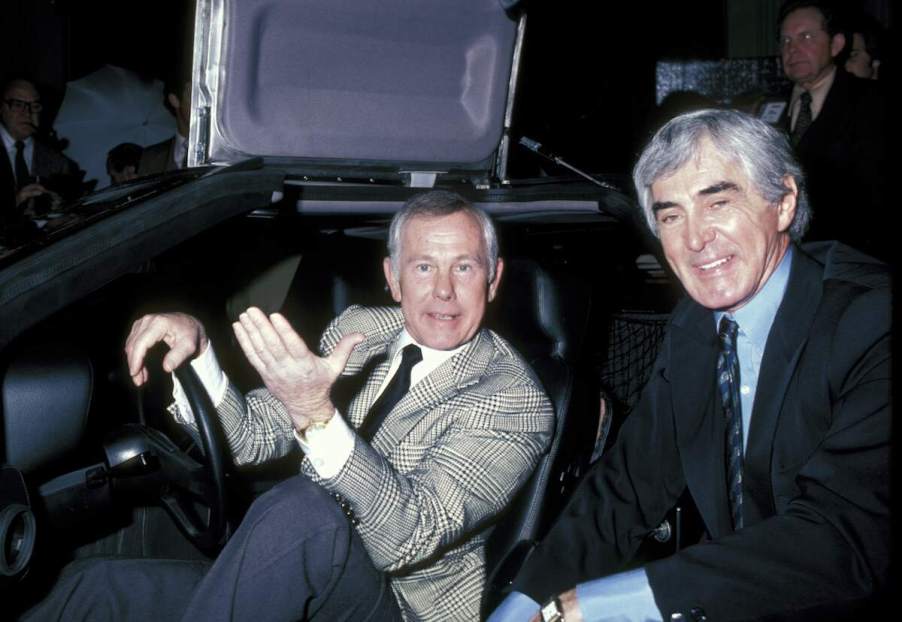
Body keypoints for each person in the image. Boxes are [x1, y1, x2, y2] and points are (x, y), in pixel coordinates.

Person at [22, 190, 554, 621]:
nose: (443, 291)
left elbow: (409, 538)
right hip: (309, 560)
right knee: (97, 588)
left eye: (463, 268)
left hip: (400, 605)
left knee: (302, 508)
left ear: (494, 277)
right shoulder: (364, 329)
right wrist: (199, 351)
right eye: (422, 268)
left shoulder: (515, 400)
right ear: (392, 278)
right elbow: (253, 436)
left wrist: (316, 415)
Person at [489, 109, 890, 621]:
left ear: (784, 202)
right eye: (671, 215)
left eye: (718, 203)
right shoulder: (698, 326)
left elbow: (843, 537)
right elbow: (626, 489)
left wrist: (593, 607)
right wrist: (522, 605)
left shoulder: (872, 321)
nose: (694, 240)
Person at [776, 0, 888, 258]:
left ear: (836, 45)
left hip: (853, 262)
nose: (793, 49)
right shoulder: (767, 107)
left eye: (806, 37)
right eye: (786, 41)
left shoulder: (872, 102)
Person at [1, 78, 77, 218]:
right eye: (18, 104)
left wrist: (58, 215)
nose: (27, 113)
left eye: (34, 106)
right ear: (2, 107)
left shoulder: (58, 162)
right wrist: (14, 204)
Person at [138, 76, 191, 176]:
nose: (203, 104)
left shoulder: (222, 152)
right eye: (194, 95)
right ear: (174, 100)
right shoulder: (151, 158)